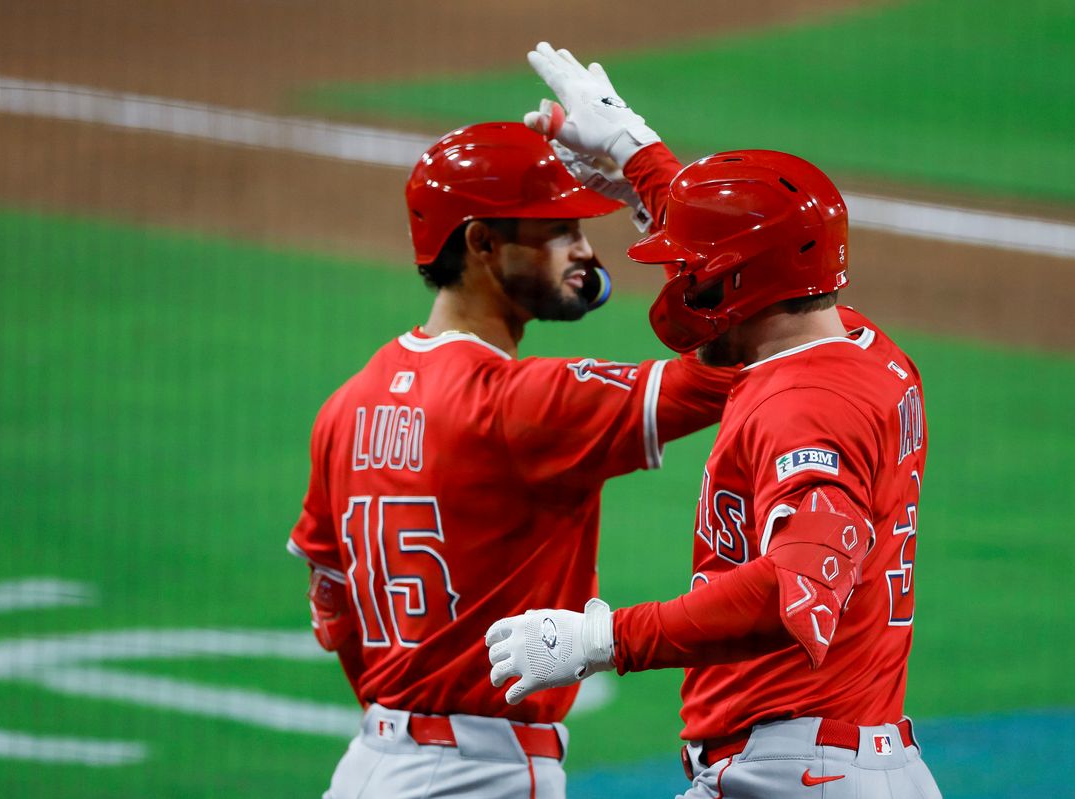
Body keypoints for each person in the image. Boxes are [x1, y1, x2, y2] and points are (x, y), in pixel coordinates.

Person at [485, 44, 942, 798]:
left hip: (797, 772)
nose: (675, 276)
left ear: (732, 282)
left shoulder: (805, 409)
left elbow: (796, 590)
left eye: (687, 263)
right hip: (833, 757)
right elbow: (756, 253)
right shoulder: (855, 348)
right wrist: (635, 152)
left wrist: (604, 638)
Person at [286, 118, 735, 799]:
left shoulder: (347, 405)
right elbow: (735, 367)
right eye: (560, 232)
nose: (584, 252)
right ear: (482, 243)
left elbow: (336, 617)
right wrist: (656, 195)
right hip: (479, 775)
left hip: (371, 767)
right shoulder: (524, 403)